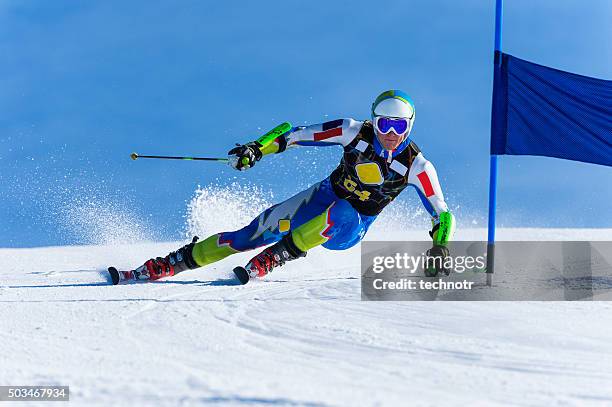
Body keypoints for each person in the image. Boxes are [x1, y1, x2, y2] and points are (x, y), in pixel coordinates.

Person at [119, 90, 455, 283]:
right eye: (384, 123)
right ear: (374, 120)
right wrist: (257, 148)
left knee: (342, 211)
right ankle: (171, 264)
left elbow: (441, 212)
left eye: (399, 125)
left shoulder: (417, 166)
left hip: (351, 227)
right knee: (251, 233)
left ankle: (280, 255)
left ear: (409, 126)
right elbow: (296, 134)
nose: (391, 133)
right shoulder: (353, 131)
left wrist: (440, 247)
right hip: (321, 196)